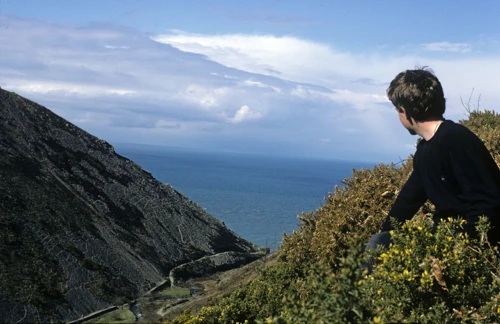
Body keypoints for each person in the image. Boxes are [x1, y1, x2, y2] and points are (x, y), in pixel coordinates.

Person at [366, 67, 500, 256]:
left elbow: (488, 200)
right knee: (380, 242)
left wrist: (464, 249)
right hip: (445, 237)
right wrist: (386, 231)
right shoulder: (426, 150)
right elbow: (409, 198)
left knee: (380, 245)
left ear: (404, 112)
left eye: (397, 110)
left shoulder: (456, 139)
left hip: (469, 242)